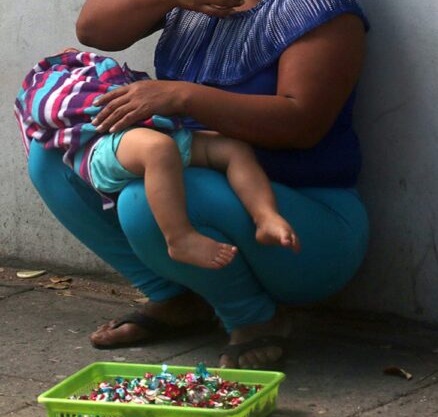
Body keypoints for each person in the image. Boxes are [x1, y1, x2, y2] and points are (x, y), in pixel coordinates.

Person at [25, 0, 369, 370]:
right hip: (202, 180)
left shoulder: (322, 0)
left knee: (146, 197)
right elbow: (93, 25)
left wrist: (180, 95)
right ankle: (177, 297)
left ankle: (254, 316)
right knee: (53, 158)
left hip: (306, 223)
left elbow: (302, 124)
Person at [16, 49, 299, 270]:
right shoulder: (53, 85)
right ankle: (179, 238)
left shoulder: (95, 68)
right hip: (102, 145)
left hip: (156, 125)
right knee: (158, 150)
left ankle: (265, 216)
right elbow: (56, 114)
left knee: (233, 149)